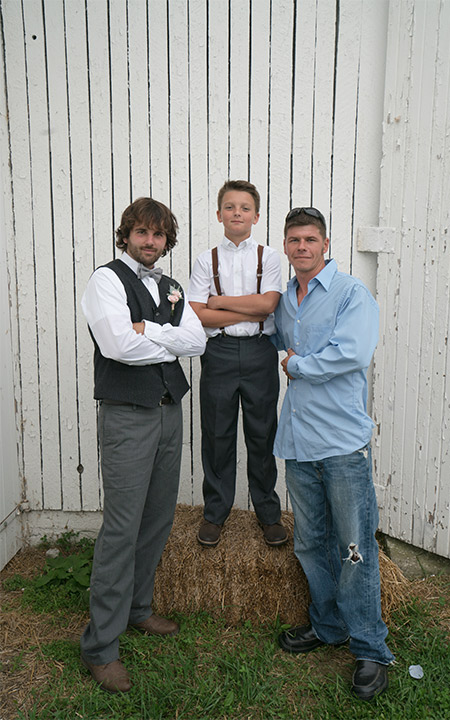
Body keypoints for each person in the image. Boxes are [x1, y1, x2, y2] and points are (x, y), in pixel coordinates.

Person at [80, 197, 206, 693]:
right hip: (127, 416)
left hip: (167, 412)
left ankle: (139, 610)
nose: (149, 242)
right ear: (126, 235)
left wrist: (150, 329)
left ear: (166, 240)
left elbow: (196, 343)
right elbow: (117, 346)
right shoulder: (106, 279)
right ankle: (100, 647)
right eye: (140, 233)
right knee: (121, 527)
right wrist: (167, 338)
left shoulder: (172, 287)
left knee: (157, 518)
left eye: (158, 235)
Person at [273, 207, 394, 701]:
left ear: (325, 244)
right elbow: (273, 344)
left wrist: (299, 365)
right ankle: (328, 627)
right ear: (286, 246)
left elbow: (353, 353)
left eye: (310, 239)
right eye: (294, 240)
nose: (302, 247)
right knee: (310, 542)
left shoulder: (351, 295)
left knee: (354, 548)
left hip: (342, 444)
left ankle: (371, 650)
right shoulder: (284, 301)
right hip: (299, 443)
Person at [188, 180, 287, 548]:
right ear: (219, 214)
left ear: (256, 216)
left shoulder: (269, 256)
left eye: (245, 208)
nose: (237, 214)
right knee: (217, 433)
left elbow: (268, 306)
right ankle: (215, 512)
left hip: (260, 353)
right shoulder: (206, 259)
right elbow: (197, 314)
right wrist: (227, 310)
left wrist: (220, 304)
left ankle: (268, 513)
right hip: (220, 354)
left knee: (262, 433)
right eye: (230, 207)